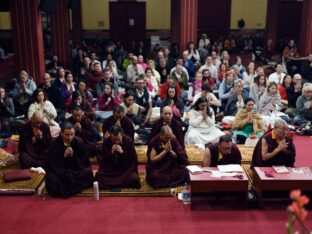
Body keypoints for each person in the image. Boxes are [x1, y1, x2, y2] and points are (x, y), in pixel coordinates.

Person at [45, 122, 94, 198]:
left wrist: (73, 156)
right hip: (60, 172)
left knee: (88, 173)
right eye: (67, 135)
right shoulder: (55, 144)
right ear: (61, 133)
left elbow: (84, 162)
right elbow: (52, 163)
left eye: (72, 134)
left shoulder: (79, 142)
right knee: (50, 179)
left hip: (75, 171)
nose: (70, 137)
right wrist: (63, 156)